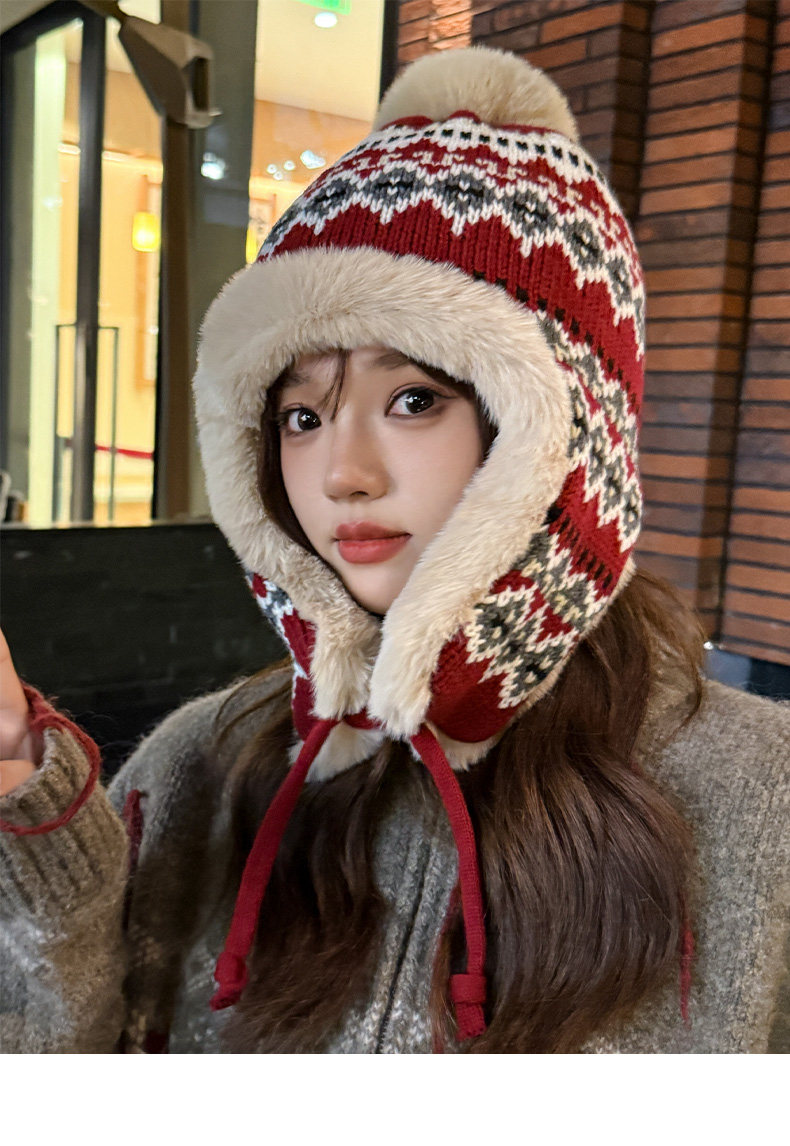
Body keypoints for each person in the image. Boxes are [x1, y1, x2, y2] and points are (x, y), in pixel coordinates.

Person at [1, 47, 787, 1054]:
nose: (342, 473)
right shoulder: (200, 762)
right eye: (300, 415)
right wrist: (32, 843)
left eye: (414, 398)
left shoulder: (758, 793)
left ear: (562, 434)